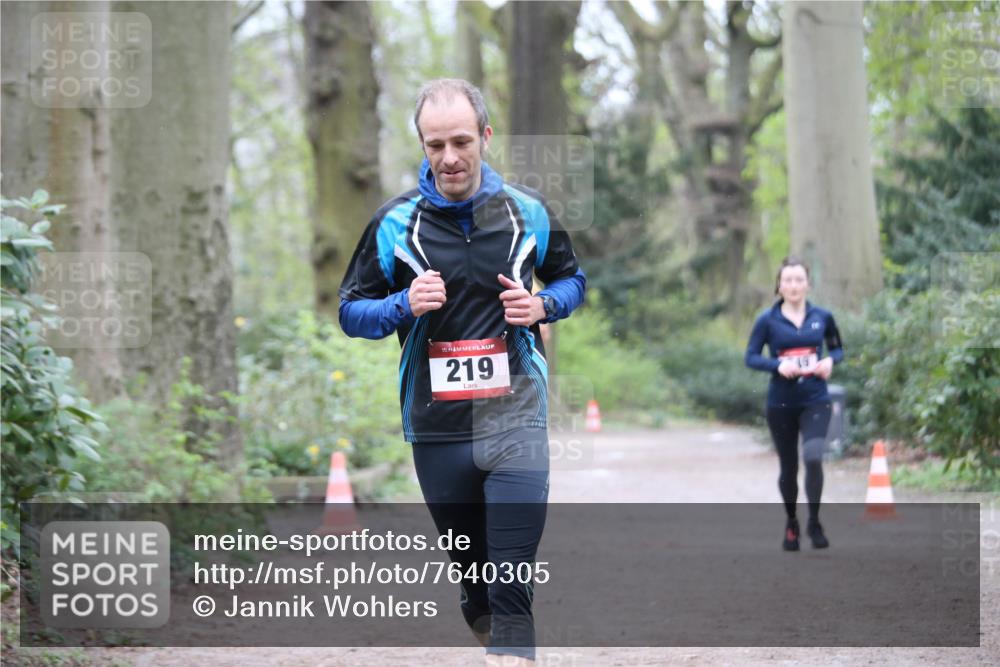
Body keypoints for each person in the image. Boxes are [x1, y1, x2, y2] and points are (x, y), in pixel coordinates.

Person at [338, 78, 586, 666]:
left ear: (485, 136)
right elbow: (351, 312)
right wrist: (402, 305)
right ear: (422, 147)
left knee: (510, 583)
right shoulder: (394, 224)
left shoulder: (528, 212)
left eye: (460, 142)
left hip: (517, 417)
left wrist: (543, 306)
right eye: (434, 145)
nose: (449, 157)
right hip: (439, 429)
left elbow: (572, 280)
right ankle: (492, 631)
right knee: (478, 594)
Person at [745, 257, 843, 551]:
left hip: (816, 398)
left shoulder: (823, 317)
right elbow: (750, 357)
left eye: (799, 279)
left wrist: (829, 361)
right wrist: (777, 365)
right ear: (779, 285)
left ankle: (814, 521)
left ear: (808, 284)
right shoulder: (767, 320)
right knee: (788, 468)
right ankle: (792, 522)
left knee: (813, 456)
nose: (793, 285)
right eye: (787, 280)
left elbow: (838, 349)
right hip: (781, 403)